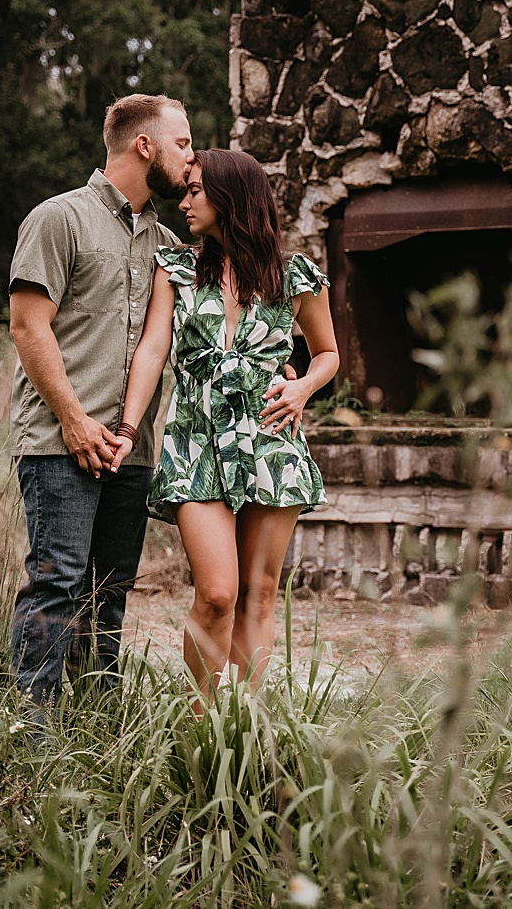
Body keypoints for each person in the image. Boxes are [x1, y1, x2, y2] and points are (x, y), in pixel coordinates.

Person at [110, 149, 339, 699]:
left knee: (259, 594)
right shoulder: (178, 270)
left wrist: (303, 386)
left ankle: (245, 729)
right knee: (216, 593)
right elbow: (151, 352)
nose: (183, 202)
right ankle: (200, 724)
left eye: (194, 191)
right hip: (195, 443)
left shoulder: (297, 277)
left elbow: (328, 354)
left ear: (231, 197)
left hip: (271, 442)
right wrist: (127, 426)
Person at [7, 93, 192, 708]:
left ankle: (96, 724)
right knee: (58, 585)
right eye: (183, 143)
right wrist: (75, 421)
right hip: (60, 446)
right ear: (146, 146)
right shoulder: (59, 219)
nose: (190, 161)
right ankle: (32, 732)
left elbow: (158, 345)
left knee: (110, 592)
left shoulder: (166, 242)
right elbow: (28, 327)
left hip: (129, 452)